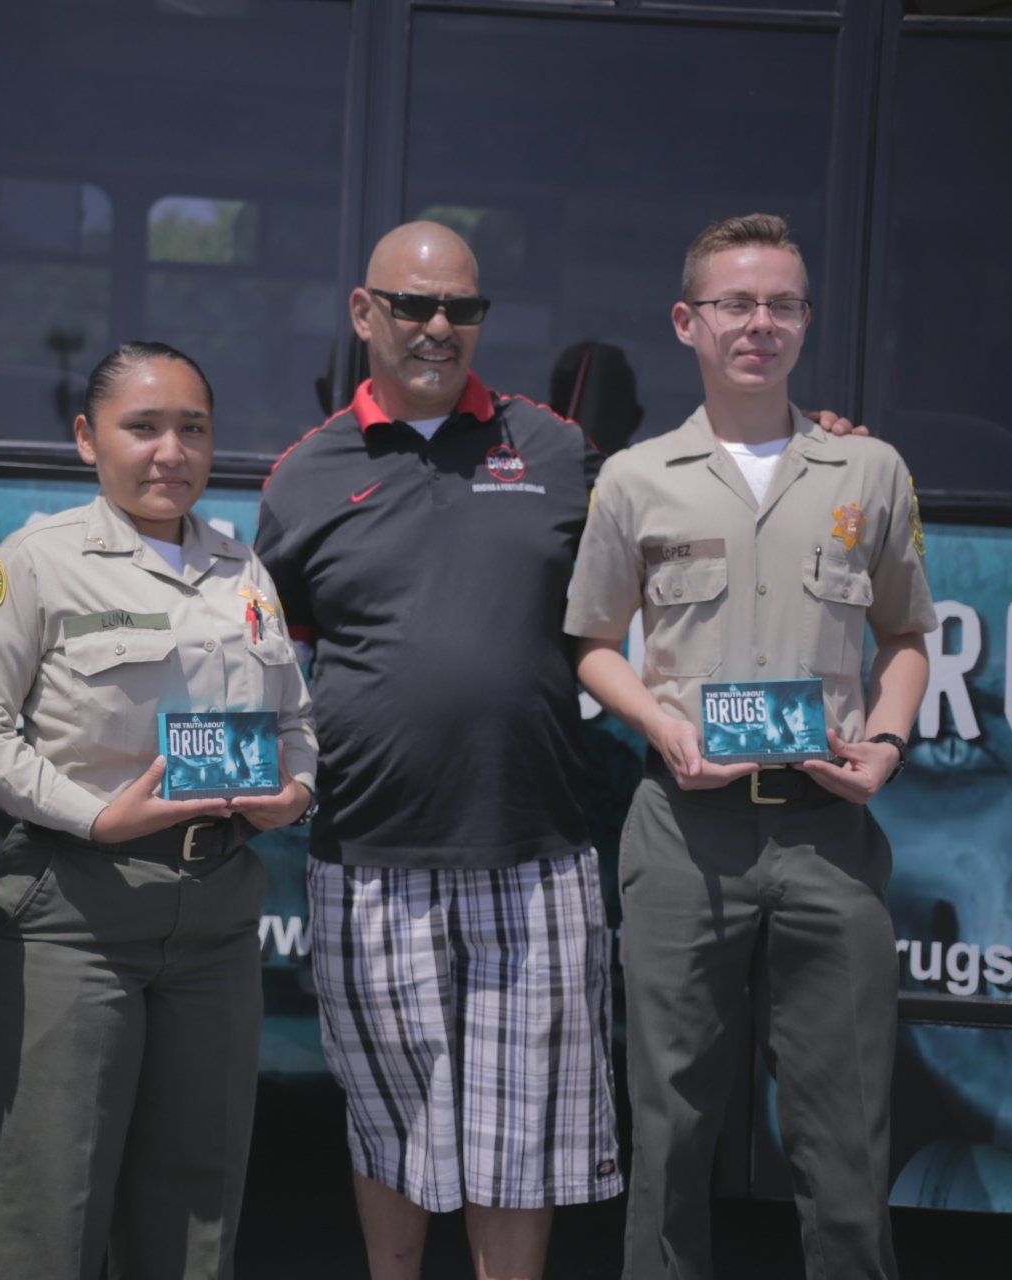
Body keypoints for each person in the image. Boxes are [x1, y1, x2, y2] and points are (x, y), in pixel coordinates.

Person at [564, 213, 936, 1280]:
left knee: (847, 1137)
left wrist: (889, 744)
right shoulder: (638, 478)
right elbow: (591, 641)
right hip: (685, 831)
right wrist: (661, 723)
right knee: (669, 1133)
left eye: (781, 305)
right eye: (736, 303)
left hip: (830, 833)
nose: (758, 325)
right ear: (689, 322)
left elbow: (908, 635)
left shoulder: (868, 470)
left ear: (805, 323)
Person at [254, 221, 621, 1280]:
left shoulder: (555, 449)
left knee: (522, 1150)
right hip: (368, 857)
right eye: (413, 305)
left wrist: (806, 439)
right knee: (392, 1128)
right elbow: (271, 657)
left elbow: (672, 539)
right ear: (365, 314)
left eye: (461, 307)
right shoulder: (306, 473)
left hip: (535, 851)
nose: (437, 327)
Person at [0, 341, 317, 1280]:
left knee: (195, 1205)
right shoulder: (35, 563)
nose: (170, 451)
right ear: (87, 439)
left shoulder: (243, 571)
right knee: (51, 1202)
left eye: (191, 428)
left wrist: (295, 791)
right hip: (79, 911)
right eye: (142, 427)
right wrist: (97, 818)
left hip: (216, 912)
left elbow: (294, 722)